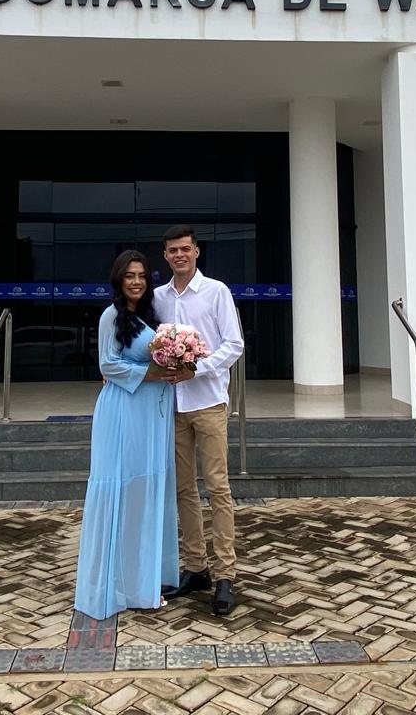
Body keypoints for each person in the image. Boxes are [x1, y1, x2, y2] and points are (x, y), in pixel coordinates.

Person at [73, 250, 180, 619]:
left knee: (146, 494)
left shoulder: (149, 317)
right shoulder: (111, 316)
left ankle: (143, 582)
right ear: (118, 280)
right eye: (129, 276)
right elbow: (107, 364)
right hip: (123, 411)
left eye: (142, 276)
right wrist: (151, 374)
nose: (136, 282)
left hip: (152, 415)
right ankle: (113, 586)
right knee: (121, 490)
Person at [153, 225, 245, 616]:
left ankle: (225, 574)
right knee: (183, 490)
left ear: (197, 252)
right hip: (172, 405)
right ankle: (196, 567)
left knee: (218, 488)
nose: (179, 255)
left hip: (207, 402)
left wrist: (198, 368)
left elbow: (234, 344)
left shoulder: (216, 291)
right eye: (173, 250)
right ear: (165, 255)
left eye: (185, 249)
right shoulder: (157, 297)